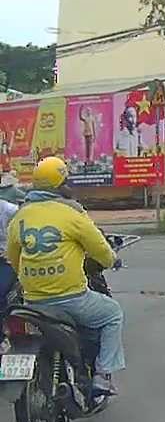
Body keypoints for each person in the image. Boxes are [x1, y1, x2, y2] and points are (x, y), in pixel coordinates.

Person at [7, 157, 122, 405]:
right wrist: (112, 260)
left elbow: (14, 258)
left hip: (33, 301)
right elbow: (100, 249)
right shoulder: (72, 212)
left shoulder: (20, 216)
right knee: (113, 314)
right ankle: (103, 375)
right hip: (71, 298)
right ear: (62, 184)